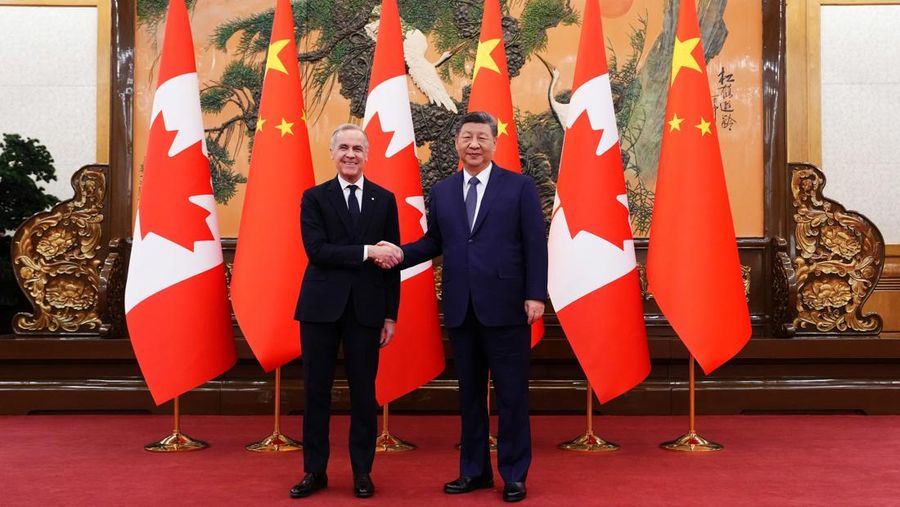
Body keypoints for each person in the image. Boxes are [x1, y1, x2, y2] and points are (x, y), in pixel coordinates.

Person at [380, 111, 547, 503]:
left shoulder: (519, 187)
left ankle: (514, 474)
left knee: (511, 396)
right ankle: (473, 472)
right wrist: (396, 253)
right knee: (469, 396)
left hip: (508, 308)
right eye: (467, 137)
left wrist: (536, 294)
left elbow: (535, 243)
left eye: (482, 138)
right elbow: (434, 242)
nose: (474, 144)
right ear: (457, 143)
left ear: (494, 143)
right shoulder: (443, 191)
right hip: (461, 309)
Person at [290, 123, 402, 499]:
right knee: (315, 393)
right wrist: (368, 251)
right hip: (320, 310)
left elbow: (392, 265)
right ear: (333, 154)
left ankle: (362, 472)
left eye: (357, 148)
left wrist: (390, 315)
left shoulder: (385, 199)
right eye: (344, 148)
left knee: (363, 395)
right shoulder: (314, 197)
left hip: (367, 311)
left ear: (367, 154)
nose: (350, 154)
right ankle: (314, 471)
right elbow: (317, 251)